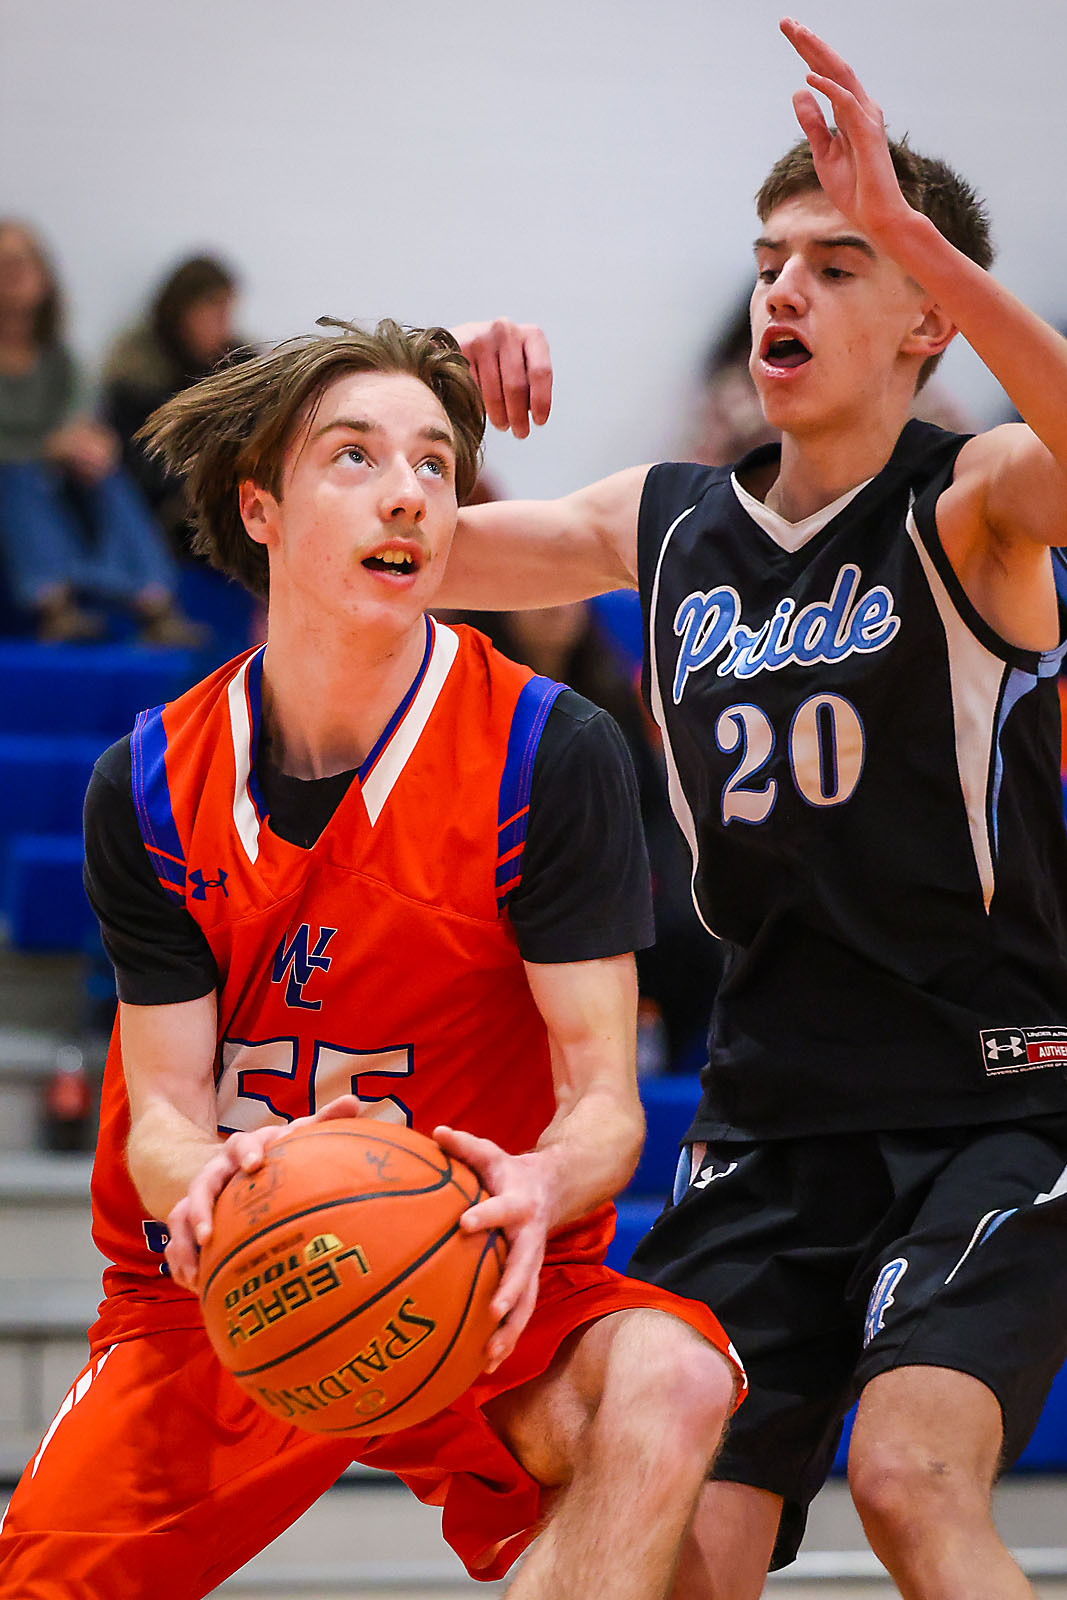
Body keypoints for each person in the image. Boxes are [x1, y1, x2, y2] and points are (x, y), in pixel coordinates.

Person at [435, 21, 1067, 1599]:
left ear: (927, 313)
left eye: (837, 264)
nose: (780, 288)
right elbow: (393, 554)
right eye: (769, 258)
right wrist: (419, 378)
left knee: (910, 1476)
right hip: (770, 1115)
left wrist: (919, 232)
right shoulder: (658, 523)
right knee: (686, 1541)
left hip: (991, 1097)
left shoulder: (973, 495)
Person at [0, 315, 744, 1599]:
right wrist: (217, 1177)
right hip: (222, 1291)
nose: (406, 488)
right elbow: (162, 1113)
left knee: (671, 1388)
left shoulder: (545, 750)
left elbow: (605, 1104)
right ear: (262, 509)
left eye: (436, 465)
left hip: (474, 1272)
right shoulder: (153, 783)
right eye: (353, 457)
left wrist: (538, 1181)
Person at [0, 220, 202, 644]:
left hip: (58, 483)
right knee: (17, 477)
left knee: (104, 468)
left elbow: (79, 419)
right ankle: (52, 599)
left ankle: (154, 600)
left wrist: (90, 446)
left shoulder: (61, 361)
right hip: (16, 483)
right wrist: (45, 448)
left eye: (21, 262)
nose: (11, 272)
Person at [103, 254, 249, 555]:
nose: (224, 322)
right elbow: (137, 461)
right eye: (213, 309)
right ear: (181, 311)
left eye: (227, 310)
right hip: (166, 516)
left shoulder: (241, 367)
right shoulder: (138, 378)